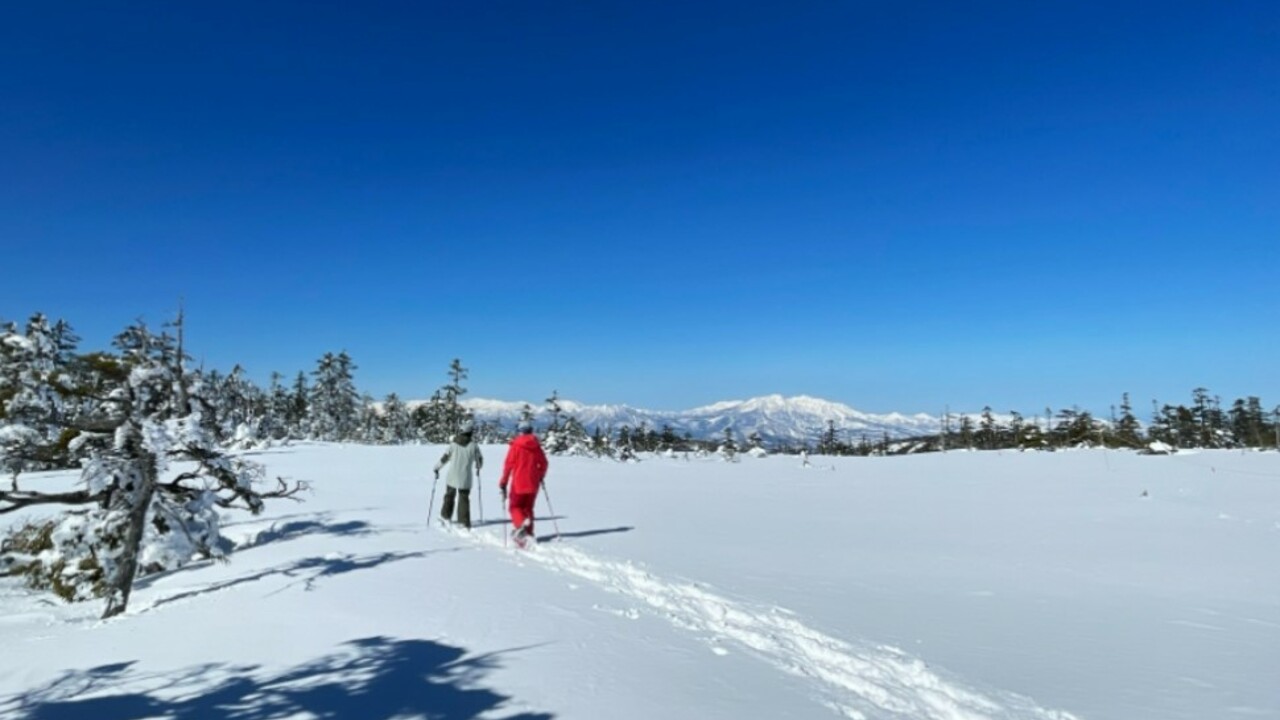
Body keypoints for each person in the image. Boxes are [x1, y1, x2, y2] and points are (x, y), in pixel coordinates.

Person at [498, 420, 548, 547]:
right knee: (528, 508)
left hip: (518, 482)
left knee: (515, 507)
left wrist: (503, 482)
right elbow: (544, 464)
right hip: (533, 483)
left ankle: (521, 527)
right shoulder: (536, 446)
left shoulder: (515, 446)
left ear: (520, 432)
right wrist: (540, 475)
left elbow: (508, 466)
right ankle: (529, 533)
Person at [434, 420, 484, 528]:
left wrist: (437, 468)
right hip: (465, 477)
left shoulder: (453, 445)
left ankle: (445, 516)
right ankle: (464, 522)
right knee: (464, 499)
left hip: (452, 476)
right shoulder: (474, 446)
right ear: (470, 433)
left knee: (449, 496)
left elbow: (444, 458)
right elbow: (479, 461)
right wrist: (478, 467)